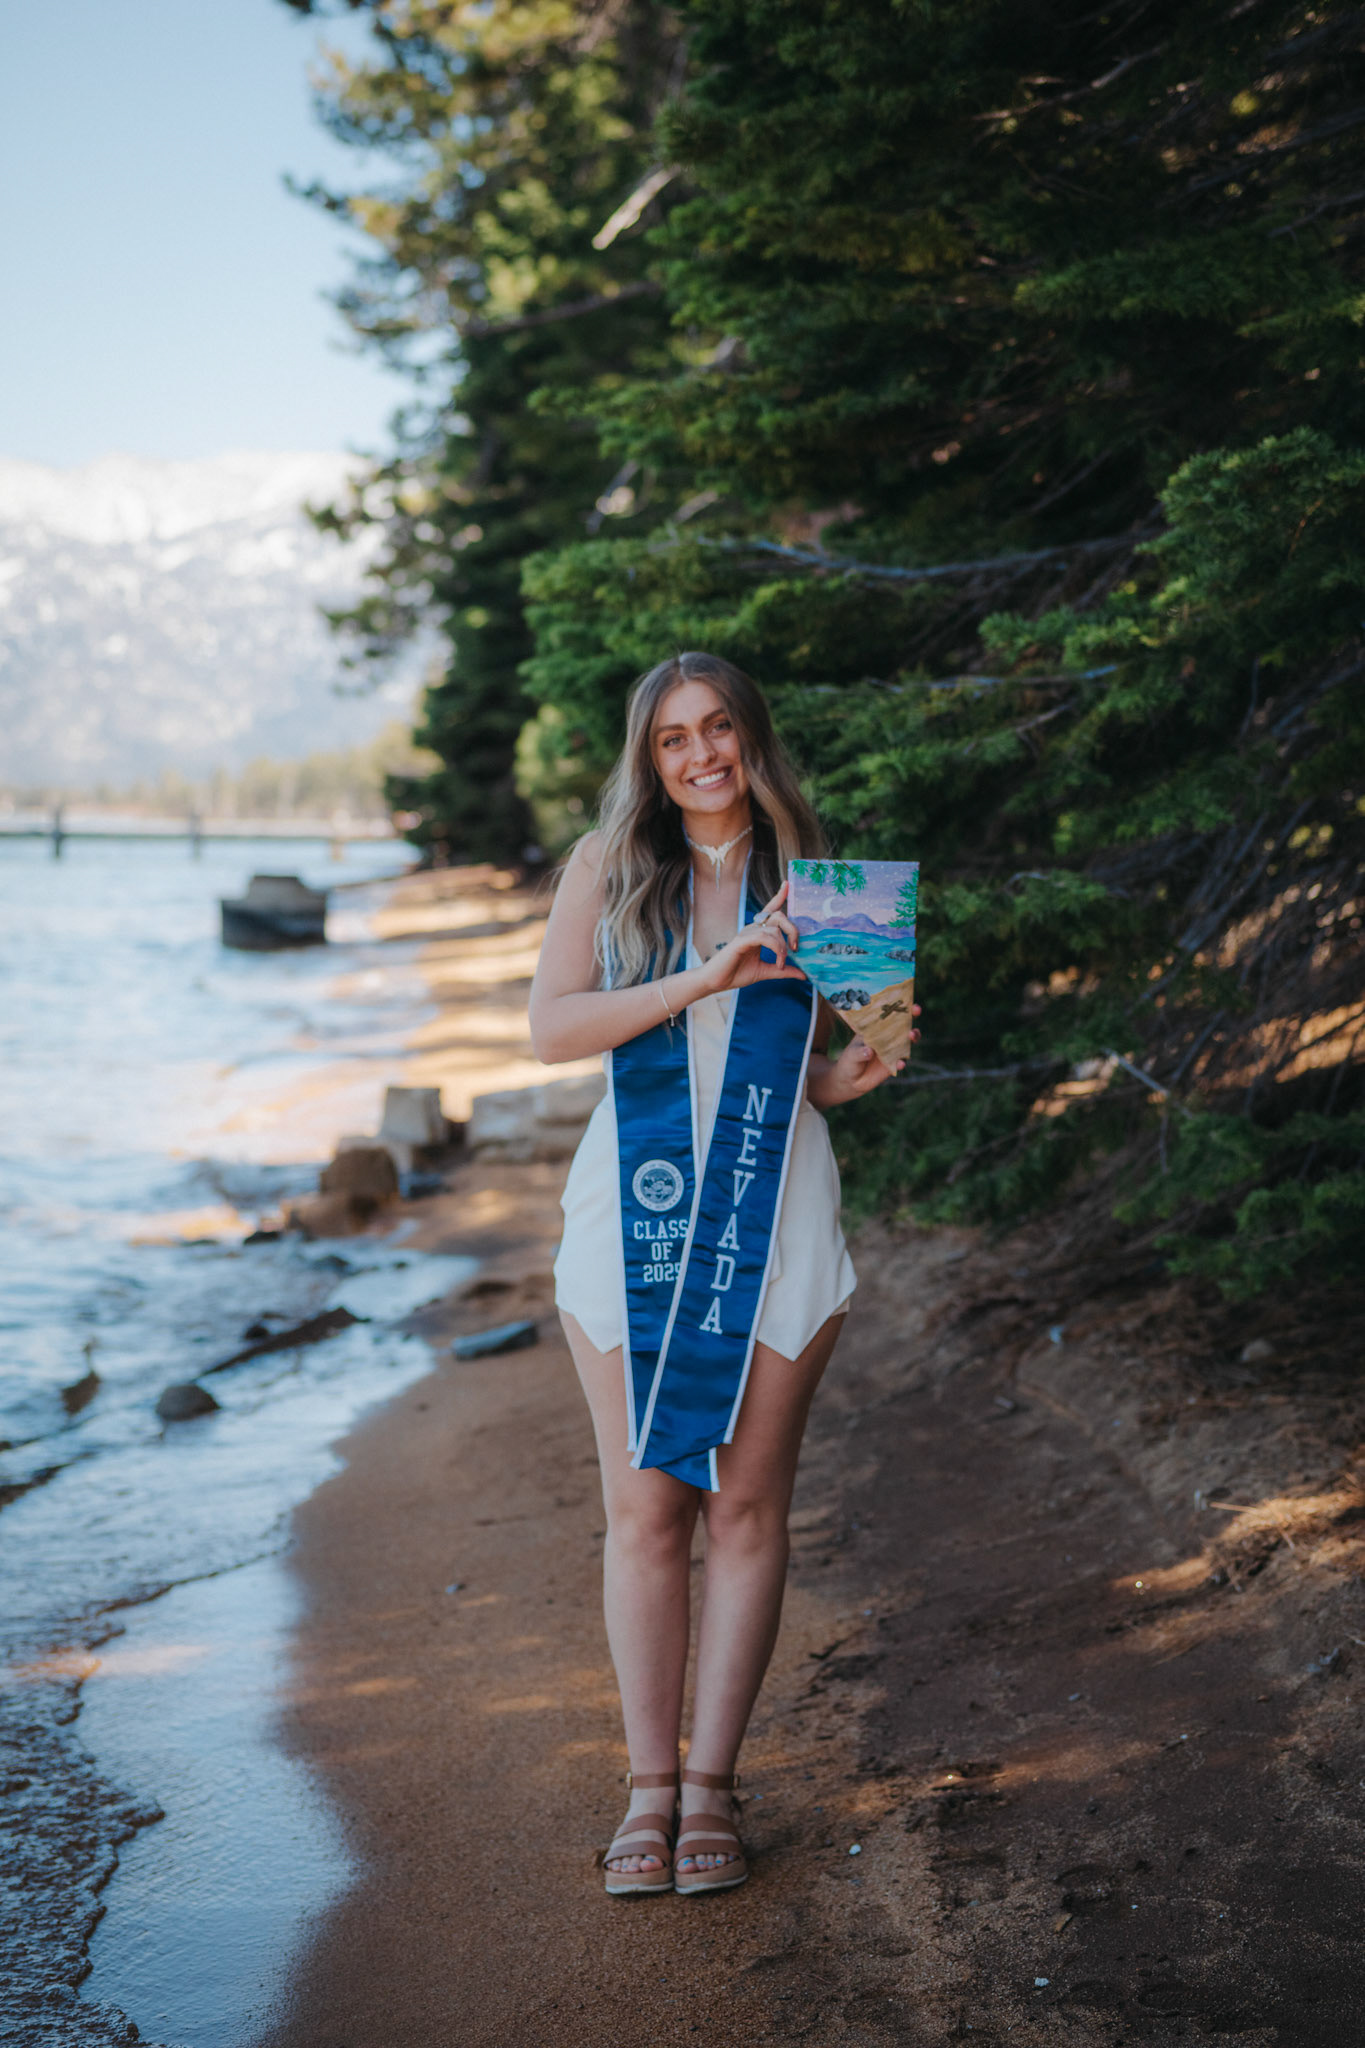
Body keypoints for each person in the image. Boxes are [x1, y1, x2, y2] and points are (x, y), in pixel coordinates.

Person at [528, 652, 916, 1897]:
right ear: (648, 757)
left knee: (745, 1507)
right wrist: (700, 974)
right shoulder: (607, 866)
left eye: (720, 729)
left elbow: (824, 1057)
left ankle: (712, 1787)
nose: (700, 755)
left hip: (775, 1203)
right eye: (673, 738)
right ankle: (646, 1784)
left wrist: (842, 1077)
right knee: (647, 1506)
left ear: (753, 737)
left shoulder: (823, 884)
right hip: (628, 1213)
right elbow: (554, 1029)